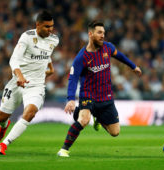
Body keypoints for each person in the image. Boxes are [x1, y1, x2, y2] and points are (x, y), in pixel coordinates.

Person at [57, 20, 142, 157]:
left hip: (106, 96)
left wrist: (133, 66)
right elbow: (73, 78)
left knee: (115, 132)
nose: (103, 35)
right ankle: (64, 149)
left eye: (103, 33)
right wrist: (71, 99)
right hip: (88, 95)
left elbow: (119, 55)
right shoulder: (81, 57)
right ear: (90, 34)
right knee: (84, 120)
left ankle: (97, 117)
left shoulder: (107, 47)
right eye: (99, 32)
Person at [0, 10, 59, 155]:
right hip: (16, 82)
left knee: (30, 113)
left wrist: (50, 69)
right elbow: (14, 59)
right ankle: (3, 126)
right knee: (1, 118)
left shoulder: (54, 40)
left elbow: (46, 56)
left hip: (36, 86)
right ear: (38, 25)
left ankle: (3, 145)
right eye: (47, 27)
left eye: (52, 26)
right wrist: (20, 77)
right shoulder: (27, 37)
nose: (50, 30)